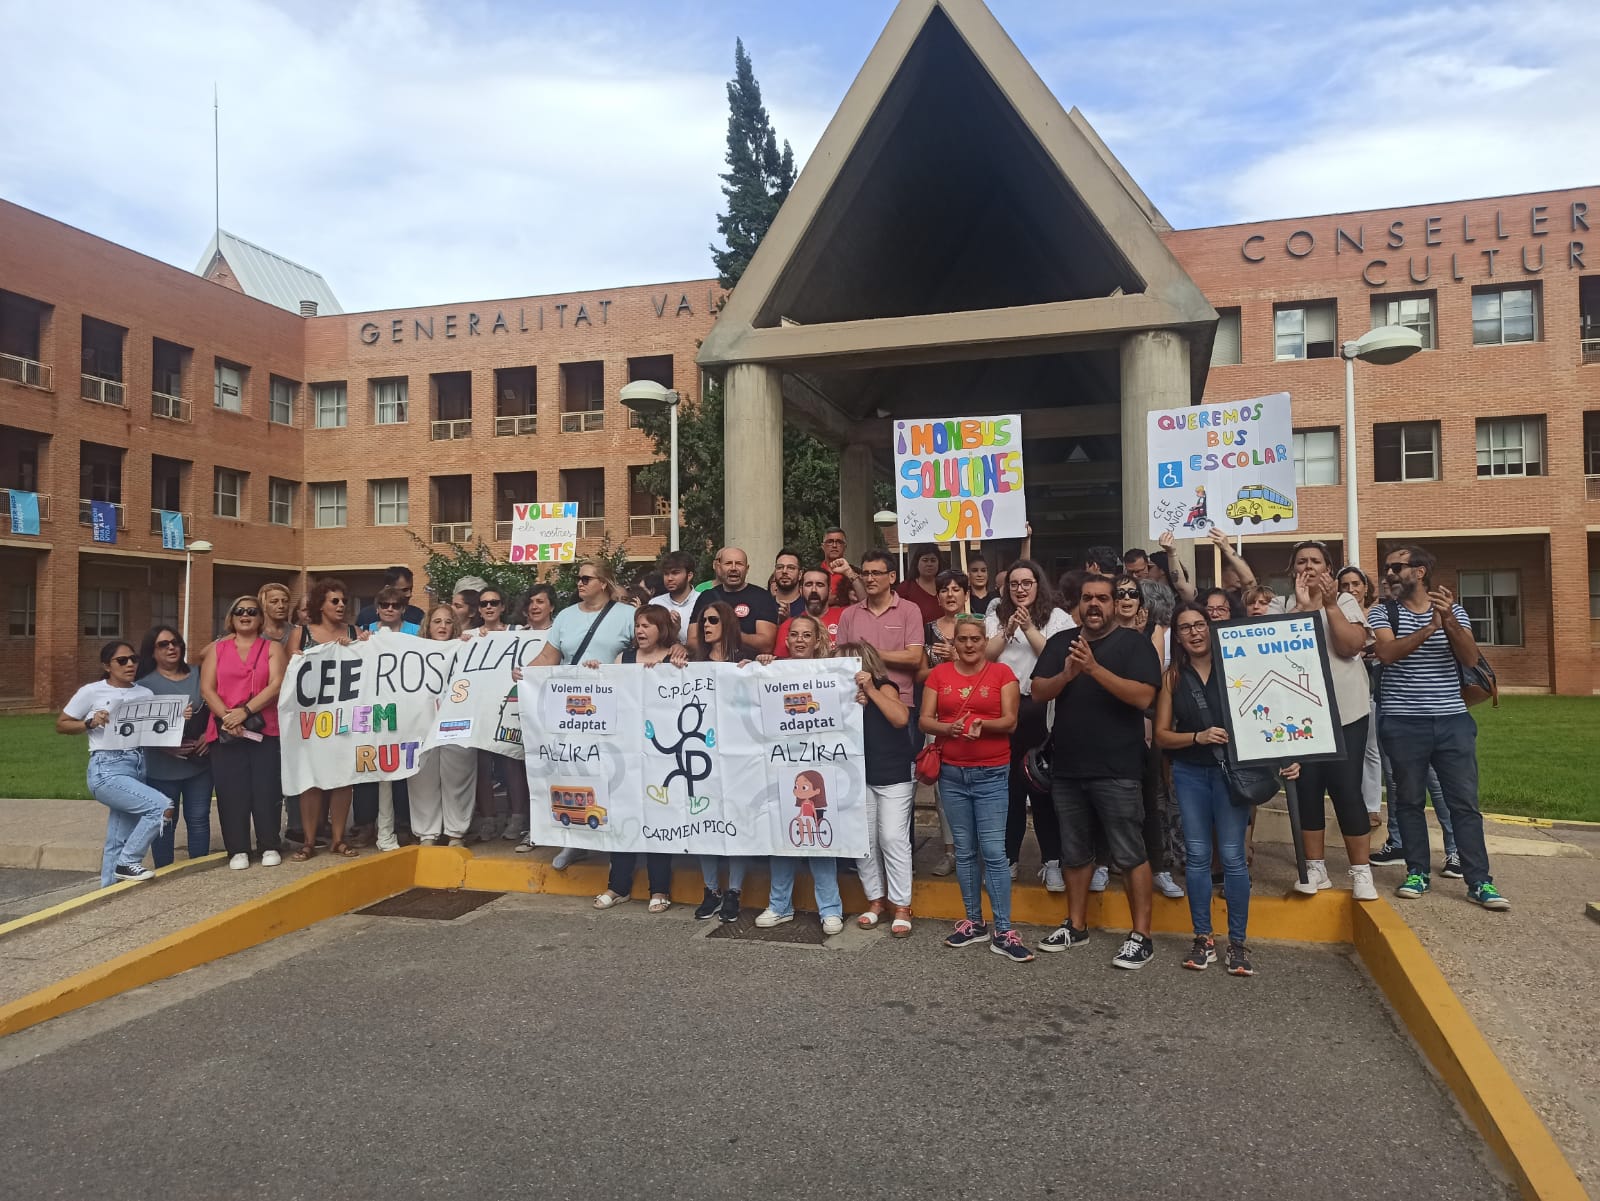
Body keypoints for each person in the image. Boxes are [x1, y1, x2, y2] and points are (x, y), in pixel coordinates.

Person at [1154, 604, 1300, 976]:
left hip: (1234, 773)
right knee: (1198, 856)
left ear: (1211, 627)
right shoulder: (1173, 677)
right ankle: (1203, 938)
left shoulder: (1239, 666)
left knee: (1234, 856)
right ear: (1177, 635)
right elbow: (1162, 735)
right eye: (1185, 628)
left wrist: (1285, 755)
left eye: (1200, 625)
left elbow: (1270, 712)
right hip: (1190, 773)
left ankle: (1238, 943)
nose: (1194, 633)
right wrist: (1196, 736)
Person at [1031, 575, 1164, 969]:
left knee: (1129, 851)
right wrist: (1068, 674)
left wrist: (1092, 669)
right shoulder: (1061, 643)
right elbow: (1039, 691)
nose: (1094, 605)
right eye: (1087, 598)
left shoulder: (1134, 644)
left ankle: (1142, 935)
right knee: (1074, 852)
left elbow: (1143, 696)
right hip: (1068, 767)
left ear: (1114, 604)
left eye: (1102, 599)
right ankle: (1076, 925)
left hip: (1118, 768)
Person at [1369, 545, 1509, 910]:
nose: (1388, 574)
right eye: (1386, 568)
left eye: (1396, 567)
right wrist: (1429, 627)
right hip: (1402, 722)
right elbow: (1386, 653)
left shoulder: (1454, 610)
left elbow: (1470, 657)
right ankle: (1417, 872)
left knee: (1464, 803)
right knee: (1410, 802)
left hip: (1452, 721)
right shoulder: (1383, 611)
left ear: (1419, 571)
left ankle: (1479, 881)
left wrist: (1446, 622)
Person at [1269, 540, 1378, 901]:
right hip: (1299, 716)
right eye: (1302, 561)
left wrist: (1328, 605)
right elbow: (1277, 651)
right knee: (1307, 789)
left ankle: (1360, 871)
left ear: (1328, 569)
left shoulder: (1345, 602)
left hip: (1346, 711)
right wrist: (1300, 609)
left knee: (1347, 789)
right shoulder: (1278, 606)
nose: (1309, 566)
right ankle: (1315, 867)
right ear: (1291, 570)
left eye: (1316, 560)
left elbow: (1349, 647)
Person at [920, 615, 1027, 960]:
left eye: (975, 639)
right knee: (964, 851)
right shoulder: (939, 675)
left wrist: (983, 724)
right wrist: (947, 729)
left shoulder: (1002, 674)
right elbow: (925, 719)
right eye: (962, 639)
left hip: (992, 773)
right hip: (952, 774)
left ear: (985, 641)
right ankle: (973, 921)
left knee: (994, 852)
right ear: (954, 643)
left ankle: (1005, 928)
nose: (968, 645)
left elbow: (1010, 721)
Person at [532, 561, 637, 870]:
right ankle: (573, 842)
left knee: (613, 772)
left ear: (603, 583)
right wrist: (526, 673)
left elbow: (644, 647)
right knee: (573, 771)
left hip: (614, 707)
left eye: (586, 578)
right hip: (572, 709)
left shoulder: (626, 615)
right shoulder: (565, 616)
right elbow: (549, 656)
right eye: (578, 578)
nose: (579, 583)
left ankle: (618, 841)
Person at [983, 559, 1073, 890]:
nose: (1021, 589)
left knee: (1042, 787)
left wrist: (1029, 628)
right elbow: (986, 657)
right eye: (1015, 584)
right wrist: (1009, 630)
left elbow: (1054, 656)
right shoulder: (995, 616)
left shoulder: (1058, 618)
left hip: (1043, 707)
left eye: (1027, 583)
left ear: (1039, 585)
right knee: (1009, 789)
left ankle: (1052, 861)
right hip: (1006, 708)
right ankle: (1009, 858)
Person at [756, 617, 846, 935]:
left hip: (819, 767)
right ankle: (779, 905)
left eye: (807, 635)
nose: (799, 640)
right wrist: (759, 666)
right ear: (786, 639)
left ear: (817, 639)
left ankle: (830, 909)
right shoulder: (771, 668)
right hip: (780, 767)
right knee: (782, 839)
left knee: (821, 836)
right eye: (794, 634)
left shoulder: (830, 672)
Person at [593, 605, 680, 913]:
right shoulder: (623, 660)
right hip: (627, 753)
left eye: (648, 625)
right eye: (638, 625)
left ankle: (659, 888)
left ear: (661, 629)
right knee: (624, 816)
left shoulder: (677, 658)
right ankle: (618, 886)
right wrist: (594, 672)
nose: (641, 631)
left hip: (662, 753)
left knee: (659, 818)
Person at [59, 641, 168, 885]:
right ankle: (128, 861)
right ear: (107, 666)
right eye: (122, 660)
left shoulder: (144, 693)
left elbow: (152, 730)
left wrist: (176, 717)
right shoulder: (92, 691)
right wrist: (89, 723)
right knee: (160, 807)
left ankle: (106, 892)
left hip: (137, 764)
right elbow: (62, 724)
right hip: (106, 769)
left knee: (118, 838)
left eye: (133, 659)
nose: (130, 664)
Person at [201, 594, 287, 870]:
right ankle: (237, 848)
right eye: (240, 611)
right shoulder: (217, 649)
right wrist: (228, 716)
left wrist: (245, 711)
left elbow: (276, 684)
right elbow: (207, 688)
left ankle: (269, 844)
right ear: (231, 617)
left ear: (261, 617)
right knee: (230, 791)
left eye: (252, 611)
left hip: (264, 727)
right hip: (226, 729)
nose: (245, 615)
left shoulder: (272, 648)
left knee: (266, 788)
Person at [287, 578, 364, 860]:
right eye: (335, 600)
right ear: (321, 604)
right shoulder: (302, 632)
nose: (341, 605)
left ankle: (338, 839)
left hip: (345, 717)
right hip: (311, 719)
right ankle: (309, 841)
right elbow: (289, 673)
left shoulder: (355, 633)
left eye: (344, 600)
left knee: (343, 778)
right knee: (312, 779)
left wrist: (360, 645)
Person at [843, 640, 916, 937]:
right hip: (859, 777)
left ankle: (901, 905)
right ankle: (875, 900)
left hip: (894, 775)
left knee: (892, 838)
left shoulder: (885, 687)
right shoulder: (839, 696)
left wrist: (871, 691)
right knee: (865, 842)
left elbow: (901, 719)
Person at [135, 625, 212, 868]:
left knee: (199, 818)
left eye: (175, 642)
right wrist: (164, 747)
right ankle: (165, 872)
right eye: (163, 644)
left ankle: (198, 869)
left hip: (199, 763)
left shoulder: (200, 674)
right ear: (152, 651)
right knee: (165, 821)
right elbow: (136, 728)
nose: (171, 647)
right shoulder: (144, 686)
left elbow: (218, 707)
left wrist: (209, 737)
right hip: (162, 767)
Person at [408, 604, 478, 847]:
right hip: (422, 723)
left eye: (448, 622)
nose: (443, 626)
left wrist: (475, 643)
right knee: (422, 778)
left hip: (455, 722)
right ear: (428, 625)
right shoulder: (412, 651)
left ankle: (456, 833)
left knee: (458, 777)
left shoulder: (466, 647)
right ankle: (427, 833)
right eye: (437, 621)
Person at [466, 584, 529, 845]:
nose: (489, 607)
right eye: (484, 604)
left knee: (512, 761)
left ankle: (517, 816)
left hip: (510, 706)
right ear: (479, 610)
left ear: (503, 606)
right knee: (481, 764)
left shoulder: (520, 633)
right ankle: (489, 818)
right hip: (480, 708)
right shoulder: (469, 636)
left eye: (494, 602)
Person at [834, 549, 925, 710]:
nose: (869, 579)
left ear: (892, 576)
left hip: (899, 702)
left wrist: (870, 653)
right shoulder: (848, 614)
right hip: (857, 700)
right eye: (866, 573)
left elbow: (914, 658)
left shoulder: (910, 610)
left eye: (876, 573)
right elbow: (839, 660)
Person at [1337, 566, 1386, 827]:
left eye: (1356, 583)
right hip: (1347, 687)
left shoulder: (1377, 615)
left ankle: (1372, 806)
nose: (1351, 589)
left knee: (1371, 749)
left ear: (1366, 587)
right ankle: (1350, 802)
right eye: (1345, 585)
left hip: (1374, 687)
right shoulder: (1338, 614)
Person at [689, 547, 780, 657]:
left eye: (739, 564)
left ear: (747, 569)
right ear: (719, 567)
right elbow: (692, 641)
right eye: (728, 563)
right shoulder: (706, 597)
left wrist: (731, 634)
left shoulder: (762, 597)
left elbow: (767, 645)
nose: (733, 568)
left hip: (748, 667)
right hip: (712, 666)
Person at [776, 568, 844, 656]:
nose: (814, 590)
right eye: (808, 584)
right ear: (801, 590)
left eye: (820, 585)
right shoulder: (789, 625)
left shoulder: (844, 616)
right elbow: (782, 664)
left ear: (829, 590)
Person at [649, 550, 698, 643]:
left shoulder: (703, 600)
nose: (669, 578)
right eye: (666, 574)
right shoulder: (655, 603)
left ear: (689, 576)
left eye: (675, 573)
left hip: (698, 657)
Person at [354, 565, 425, 629]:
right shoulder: (366, 616)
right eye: (404, 590)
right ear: (388, 588)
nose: (409, 594)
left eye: (411, 589)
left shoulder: (418, 615)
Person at [897, 544, 944, 624]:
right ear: (917, 563)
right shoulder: (905, 588)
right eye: (925, 560)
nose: (929, 564)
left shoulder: (946, 586)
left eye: (933, 560)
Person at [770, 548, 806, 618]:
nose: (784, 571)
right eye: (780, 567)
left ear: (800, 574)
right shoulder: (763, 605)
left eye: (791, 568)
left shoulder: (808, 608)